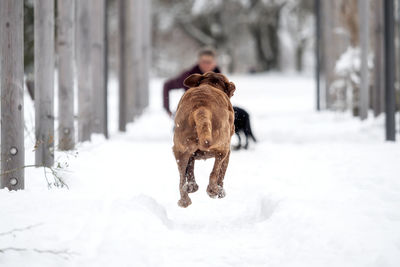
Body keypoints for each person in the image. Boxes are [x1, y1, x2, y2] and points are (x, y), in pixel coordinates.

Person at [163, 47, 221, 117]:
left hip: (213, 115)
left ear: (214, 63)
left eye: (208, 62)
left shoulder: (220, 79)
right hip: (190, 115)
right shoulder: (189, 76)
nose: (206, 65)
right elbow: (167, 85)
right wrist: (167, 109)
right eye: (203, 62)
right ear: (199, 62)